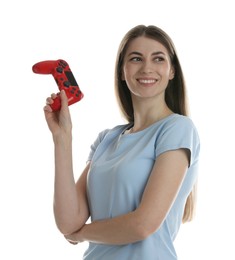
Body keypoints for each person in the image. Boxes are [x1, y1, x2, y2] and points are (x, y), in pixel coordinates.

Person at [44, 25, 200, 260]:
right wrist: (62, 137)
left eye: (158, 59)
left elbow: (143, 224)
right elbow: (68, 221)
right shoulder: (107, 139)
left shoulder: (177, 129)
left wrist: (82, 234)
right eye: (136, 58)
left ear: (171, 71)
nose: (147, 67)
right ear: (122, 71)